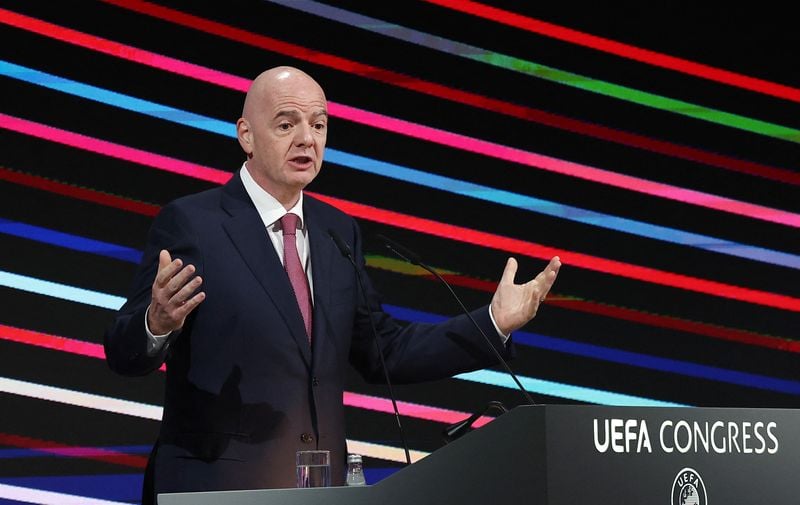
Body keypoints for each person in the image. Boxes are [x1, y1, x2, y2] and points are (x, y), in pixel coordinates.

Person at [104, 66, 560, 502]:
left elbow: (385, 351)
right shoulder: (194, 223)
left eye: (319, 125)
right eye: (287, 125)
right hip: (219, 488)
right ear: (246, 135)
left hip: (322, 489)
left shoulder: (336, 232)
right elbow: (122, 351)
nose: (307, 138)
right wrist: (155, 324)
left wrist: (493, 323)